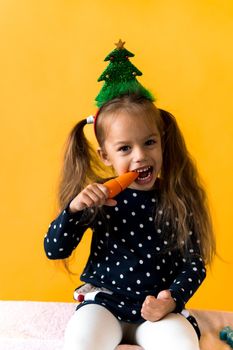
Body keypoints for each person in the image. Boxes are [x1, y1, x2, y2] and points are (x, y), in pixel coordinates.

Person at [44, 42, 215, 350]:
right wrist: (73, 210)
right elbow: (54, 250)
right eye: (125, 148)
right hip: (105, 304)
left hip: (155, 311)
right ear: (105, 155)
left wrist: (171, 298)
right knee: (80, 340)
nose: (140, 157)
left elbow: (194, 263)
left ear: (161, 141)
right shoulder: (98, 198)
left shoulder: (177, 198)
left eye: (149, 143)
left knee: (183, 344)